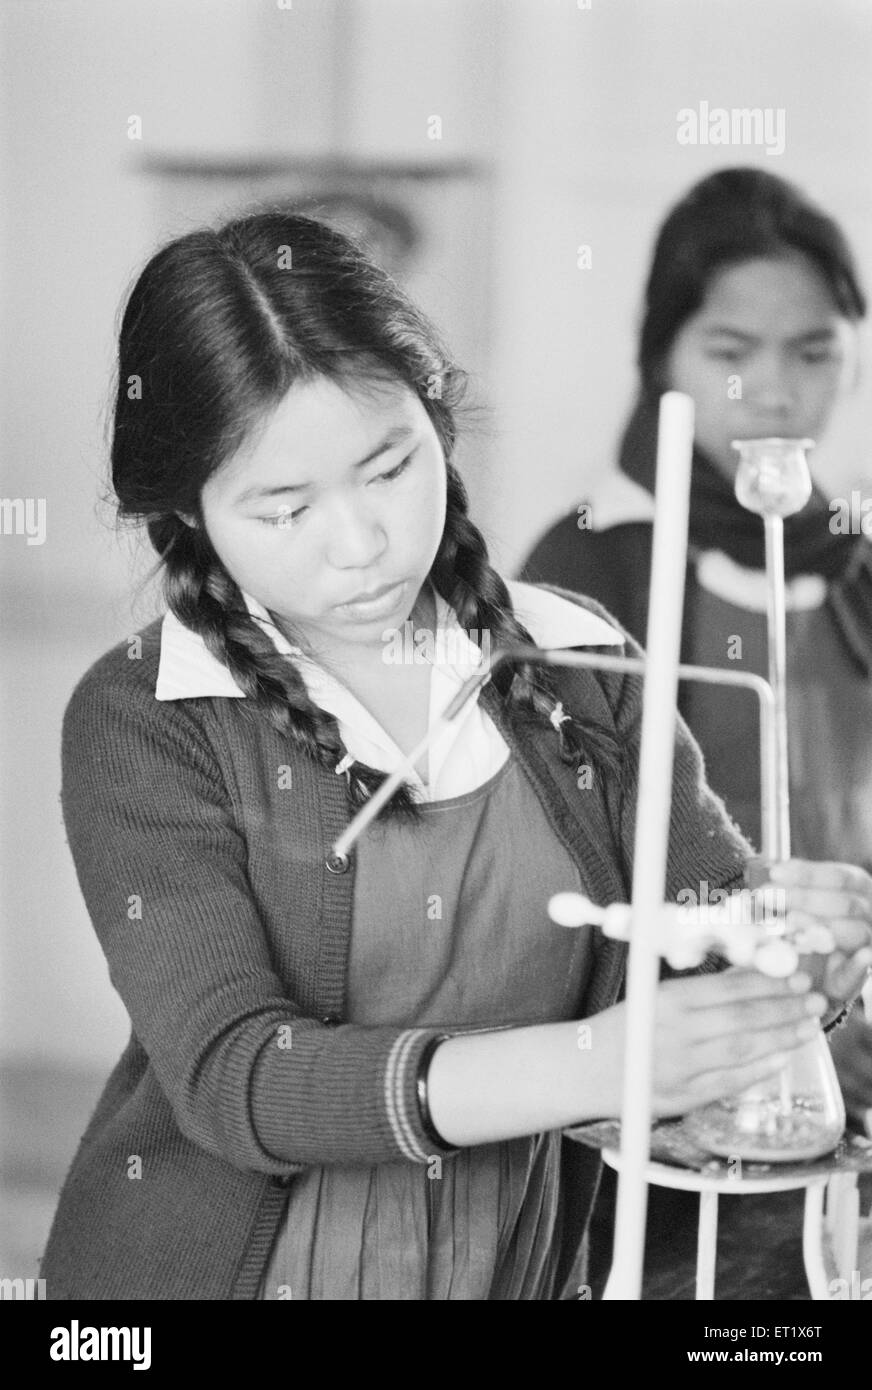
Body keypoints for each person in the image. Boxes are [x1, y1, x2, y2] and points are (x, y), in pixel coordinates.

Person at [41, 210, 872, 1301]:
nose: (360, 543)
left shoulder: (577, 663)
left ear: (438, 421)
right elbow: (235, 1078)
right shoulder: (147, 717)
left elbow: (707, 922)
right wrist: (596, 1061)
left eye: (389, 467)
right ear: (187, 516)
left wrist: (793, 958)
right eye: (282, 508)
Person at [520, 166, 872, 1288]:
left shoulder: (851, 562)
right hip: (672, 1096)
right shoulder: (584, 566)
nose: (772, 390)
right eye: (731, 350)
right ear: (660, 354)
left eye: (811, 352)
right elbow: (553, 867)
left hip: (847, 1079)